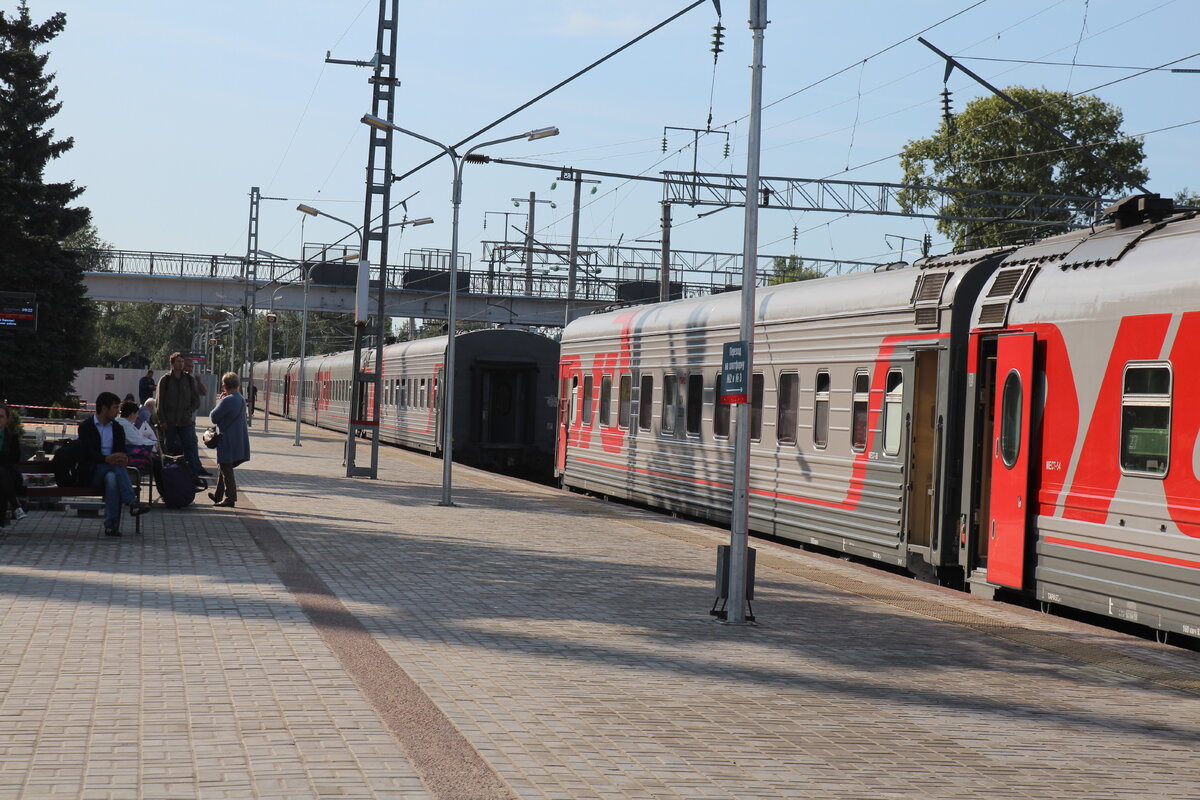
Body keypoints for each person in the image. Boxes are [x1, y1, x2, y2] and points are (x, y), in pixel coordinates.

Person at [79, 392, 149, 537]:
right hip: (93, 471)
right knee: (114, 467)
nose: (118, 411)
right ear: (104, 409)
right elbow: (87, 454)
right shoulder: (86, 427)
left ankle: (111, 526)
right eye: (115, 408)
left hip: (112, 470)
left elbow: (122, 451)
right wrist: (106, 459)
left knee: (112, 478)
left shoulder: (117, 428)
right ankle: (132, 502)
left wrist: (123, 457)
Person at [157, 352, 208, 479]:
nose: (181, 363)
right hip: (170, 423)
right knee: (169, 450)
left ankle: (192, 476)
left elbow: (196, 400)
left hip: (185, 422)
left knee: (189, 448)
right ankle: (168, 475)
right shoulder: (165, 380)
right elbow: (160, 401)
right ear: (172, 364)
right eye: (178, 361)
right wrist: (162, 420)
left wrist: (189, 411)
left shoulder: (189, 380)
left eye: (182, 361)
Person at [208, 372, 250, 508]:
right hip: (238, 439)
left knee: (226, 468)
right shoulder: (240, 399)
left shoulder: (228, 400)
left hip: (227, 439)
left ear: (224, 386)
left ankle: (230, 498)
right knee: (224, 467)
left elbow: (213, 417)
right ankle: (218, 495)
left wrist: (221, 401)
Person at [0, 404, 27, 525]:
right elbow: (7, 457)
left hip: (7, 474)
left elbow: (14, 458)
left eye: (1, 416)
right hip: (5, 475)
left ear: (7, 419)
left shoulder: (12, 437)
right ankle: (16, 506)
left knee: (2, 475)